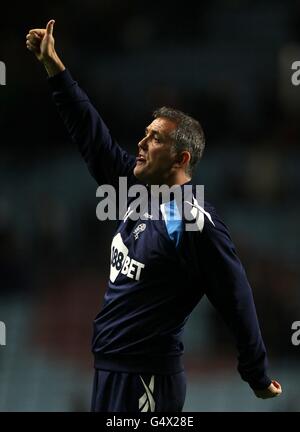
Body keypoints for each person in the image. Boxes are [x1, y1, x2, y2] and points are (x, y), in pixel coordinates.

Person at [26, 20, 282, 412]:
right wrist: (55, 68)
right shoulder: (136, 190)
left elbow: (236, 294)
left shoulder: (194, 221)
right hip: (110, 371)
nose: (142, 143)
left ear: (181, 159)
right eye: (144, 134)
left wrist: (256, 373)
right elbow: (93, 138)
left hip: (147, 381)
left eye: (155, 138)